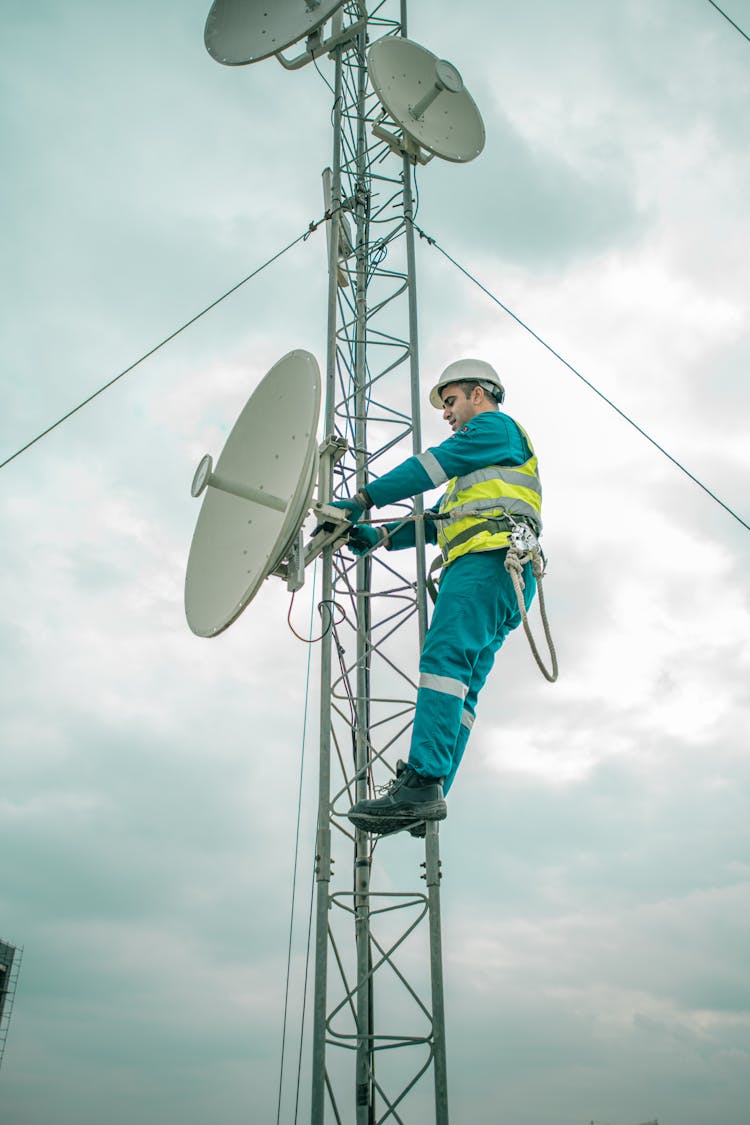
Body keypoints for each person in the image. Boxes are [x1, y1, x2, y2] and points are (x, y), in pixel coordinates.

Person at [329, 358, 542, 835]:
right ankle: (432, 794)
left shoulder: (494, 428)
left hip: (486, 565)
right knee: (462, 686)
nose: (447, 413)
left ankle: (422, 783)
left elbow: (428, 467)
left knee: (444, 659)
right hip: (507, 575)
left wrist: (363, 498)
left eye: (451, 401)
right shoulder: (480, 470)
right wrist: (380, 536)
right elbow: (432, 524)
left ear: (479, 394)